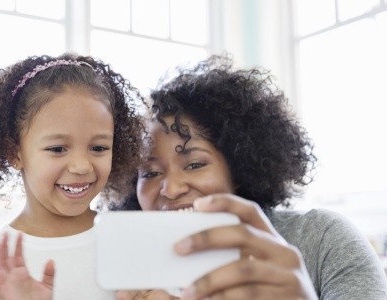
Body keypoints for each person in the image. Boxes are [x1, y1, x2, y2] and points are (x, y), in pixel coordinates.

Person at [115, 54, 387, 299]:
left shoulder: (322, 240)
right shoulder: (127, 268)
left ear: (238, 167)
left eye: (195, 164)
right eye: (149, 173)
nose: (171, 189)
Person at [0, 53, 145, 299]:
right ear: (15, 153)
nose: (82, 166)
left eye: (98, 148)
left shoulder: (133, 246)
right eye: (57, 149)